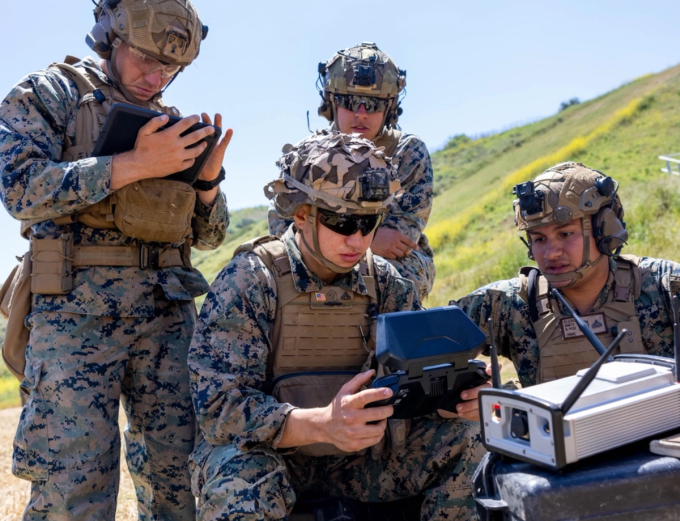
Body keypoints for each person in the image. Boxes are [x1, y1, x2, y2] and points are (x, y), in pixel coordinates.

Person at [0, 0, 231, 518]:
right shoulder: (50, 93)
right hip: (74, 317)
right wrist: (131, 165)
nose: (157, 76)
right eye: (145, 59)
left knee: (181, 477)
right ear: (110, 38)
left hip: (166, 313)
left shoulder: (169, 122)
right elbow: (20, 189)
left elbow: (210, 236)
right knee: (73, 484)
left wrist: (209, 185)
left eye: (171, 67)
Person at [188, 130, 486, 520]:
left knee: (473, 439)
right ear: (301, 214)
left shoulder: (386, 282)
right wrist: (322, 424)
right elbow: (219, 408)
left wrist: (454, 402)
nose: (358, 239)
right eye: (342, 222)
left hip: (361, 461)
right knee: (238, 482)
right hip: (275, 462)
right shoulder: (251, 281)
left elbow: (414, 383)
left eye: (370, 223)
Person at [454, 162, 679, 388]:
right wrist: (482, 395)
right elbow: (425, 348)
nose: (551, 253)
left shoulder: (662, 285)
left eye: (565, 233)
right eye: (539, 239)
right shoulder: (506, 304)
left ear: (605, 229)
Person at [268, 42, 436, 301]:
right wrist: (373, 238)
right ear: (332, 102)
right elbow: (282, 227)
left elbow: (399, 241)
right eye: (350, 102)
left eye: (373, 104)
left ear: (389, 107)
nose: (361, 114)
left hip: (383, 263)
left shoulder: (408, 152)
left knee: (399, 278)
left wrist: (349, 237)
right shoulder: (307, 154)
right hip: (315, 259)